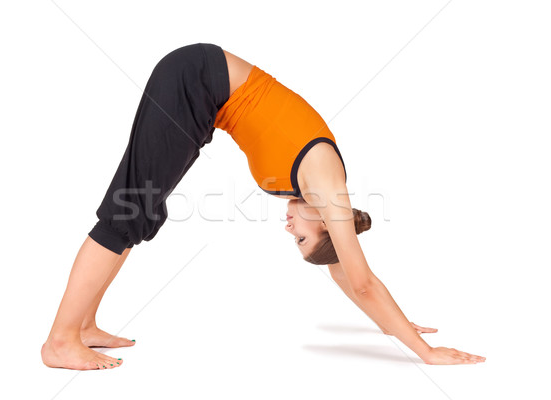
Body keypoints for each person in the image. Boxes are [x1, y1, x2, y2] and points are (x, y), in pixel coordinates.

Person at [41, 43, 486, 370]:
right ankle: (60, 341)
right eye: (300, 237)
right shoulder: (328, 186)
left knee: (138, 214)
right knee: (127, 212)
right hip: (195, 80)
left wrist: (396, 326)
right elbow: (363, 280)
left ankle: (83, 326)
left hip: (199, 97)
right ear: (329, 225)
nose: (289, 228)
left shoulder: (320, 199)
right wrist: (423, 352)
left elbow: (344, 275)